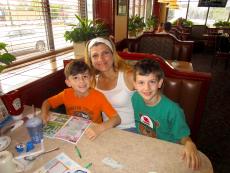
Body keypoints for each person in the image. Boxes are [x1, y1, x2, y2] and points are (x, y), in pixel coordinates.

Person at [131, 59, 201, 170]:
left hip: (167, 150)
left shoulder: (173, 110)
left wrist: (189, 144)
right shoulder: (135, 98)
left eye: (152, 82)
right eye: (141, 82)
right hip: (145, 146)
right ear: (134, 84)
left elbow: (183, 137)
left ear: (159, 83)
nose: (146, 88)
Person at [41, 60, 121, 140]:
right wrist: (44, 114)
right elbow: (47, 102)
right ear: (68, 82)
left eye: (85, 76)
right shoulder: (66, 94)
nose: (81, 81)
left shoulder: (98, 97)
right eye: (75, 78)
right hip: (73, 131)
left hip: (94, 133)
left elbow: (117, 119)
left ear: (91, 78)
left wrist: (99, 128)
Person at [85, 37, 136, 132]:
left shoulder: (129, 76)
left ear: (113, 54)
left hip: (131, 128)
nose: (101, 59)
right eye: (95, 55)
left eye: (105, 53)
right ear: (90, 61)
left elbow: (152, 99)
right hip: (106, 129)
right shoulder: (92, 82)